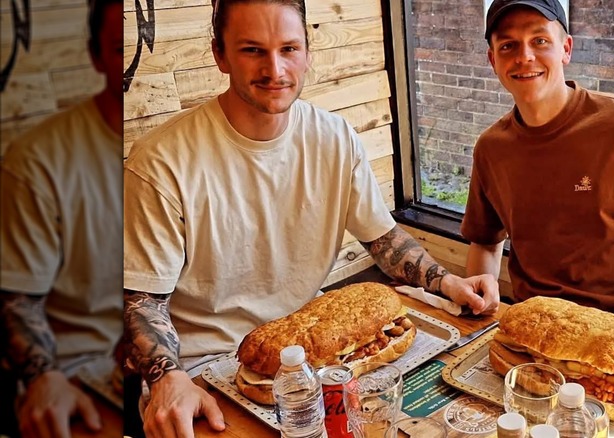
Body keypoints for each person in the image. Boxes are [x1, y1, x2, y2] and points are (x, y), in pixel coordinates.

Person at [122, 0, 501, 436]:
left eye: (288, 48)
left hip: (313, 355)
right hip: (200, 374)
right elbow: (140, 300)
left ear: (307, 52)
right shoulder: (161, 161)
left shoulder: (335, 138)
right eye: (252, 50)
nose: (275, 69)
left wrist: (447, 282)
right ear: (219, 55)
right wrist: (167, 379)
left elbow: (383, 240)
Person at [461, 0, 614, 330]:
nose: (524, 56)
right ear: (493, 60)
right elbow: (484, 241)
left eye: (540, 41)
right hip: (530, 329)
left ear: (566, 48)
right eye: (508, 45)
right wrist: (481, 285)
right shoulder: (491, 147)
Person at [0, 0, 124, 436]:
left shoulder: (175, 148)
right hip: (79, 376)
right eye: (116, 47)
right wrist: (42, 376)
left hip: (182, 358)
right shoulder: (37, 161)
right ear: (95, 55)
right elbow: (16, 298)